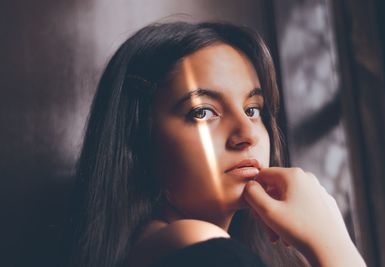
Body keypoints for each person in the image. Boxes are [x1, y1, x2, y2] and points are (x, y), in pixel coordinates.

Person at [68, 21, 366, 267]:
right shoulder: (197, 246)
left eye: (253, 109)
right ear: (138, 141)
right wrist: (334, 244)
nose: (246, 134)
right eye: (203, 112)